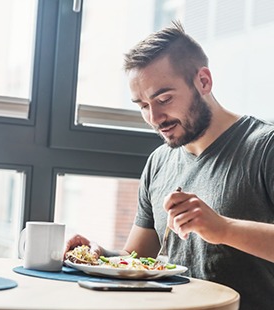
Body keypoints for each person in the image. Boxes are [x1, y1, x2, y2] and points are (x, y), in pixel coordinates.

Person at [65, 21, 274, 309]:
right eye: (142, 105)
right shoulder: (159, 162)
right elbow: (138, 259)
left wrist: (224, 228)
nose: (154, 117)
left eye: (164, 99)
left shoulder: (265, 146)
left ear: (203, 81)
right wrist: (99, 256)